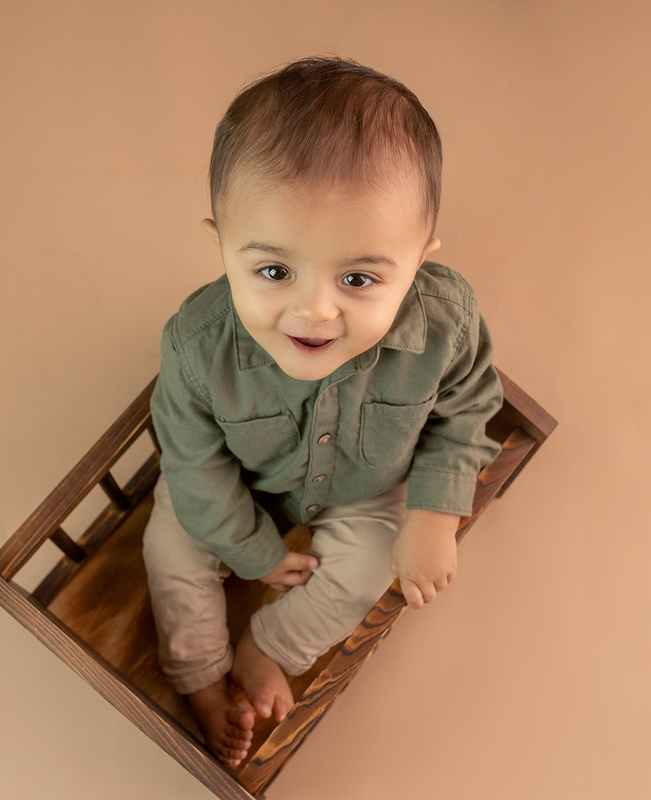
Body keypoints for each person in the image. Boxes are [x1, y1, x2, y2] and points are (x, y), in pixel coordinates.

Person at [142, 55, 503, 768]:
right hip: (230, 490)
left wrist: (435, 517)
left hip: (363, 490)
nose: (315, 310)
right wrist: (256, 551)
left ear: (419, 260)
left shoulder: (445, 321)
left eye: (361, 277)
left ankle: (266, 644)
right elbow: (193, 462)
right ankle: (202, 679)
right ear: (220, 243)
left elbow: (467, 409)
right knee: (170, 551)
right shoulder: (195, 346)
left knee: (372, 562)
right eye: (274, 271)